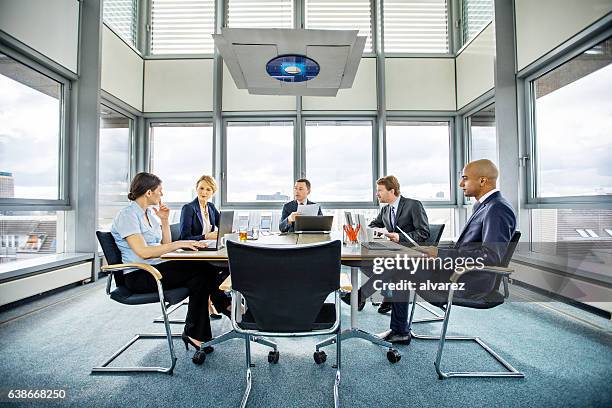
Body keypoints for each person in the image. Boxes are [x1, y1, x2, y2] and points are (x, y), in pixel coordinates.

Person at [381, 159, 517, 344]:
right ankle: (399, 328)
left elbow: (490, 257)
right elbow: (468, 249)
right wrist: (435, 252)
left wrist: (440, 255)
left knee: (401, 270)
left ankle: (399, 330)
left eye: (465, 179)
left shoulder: (497, 209)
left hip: (471, 282)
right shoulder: (485, 206)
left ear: (483, 181)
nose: (461, 184)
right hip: (459, 272)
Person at [110, 172, 230, 359]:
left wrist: (165, 221)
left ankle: (195, 333)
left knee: (202, 275)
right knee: (204, 270)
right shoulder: (128, 215)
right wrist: (179, 243)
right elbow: (143, 252)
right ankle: (223, 306)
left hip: (157, 267)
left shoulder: (149, 213)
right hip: (140, 275)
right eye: (159, 191)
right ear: (149, 192)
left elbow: (163, 245)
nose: (162, 195)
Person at [344, 175, 429, 312]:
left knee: (388, 267)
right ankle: (389, 295)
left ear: (392, 191)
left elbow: (424, 233)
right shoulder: (386, 209)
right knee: (362, 262)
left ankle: (360, 296)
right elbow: (373, 225)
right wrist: (373, 231)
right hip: (393, 253)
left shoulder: (413, 205)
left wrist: (399, 237)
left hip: (412, 255)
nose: (376, 194)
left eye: (380, 190)